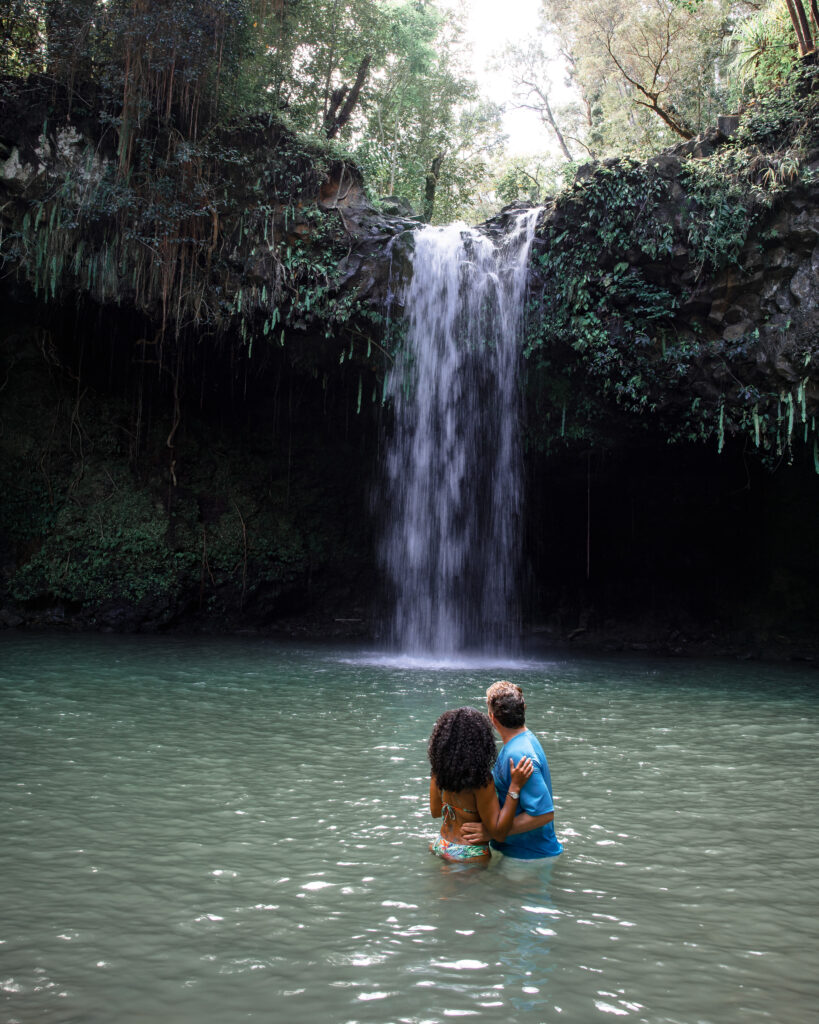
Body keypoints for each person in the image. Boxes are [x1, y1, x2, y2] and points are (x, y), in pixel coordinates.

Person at [461, 681, 562, 859]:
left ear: (492, 719)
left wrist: (492, 832)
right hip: (521, 854)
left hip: (528, 858)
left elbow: (544, 814)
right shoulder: (520, 742)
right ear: (524, 708)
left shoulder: (519, 754)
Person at [427, 706, 534, 863]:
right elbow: (499, 833)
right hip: (469, 853)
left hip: (440, 845)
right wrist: (515, 787)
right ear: (481, 743)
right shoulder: (481, 781)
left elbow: (436, 812)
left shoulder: (438, 772)